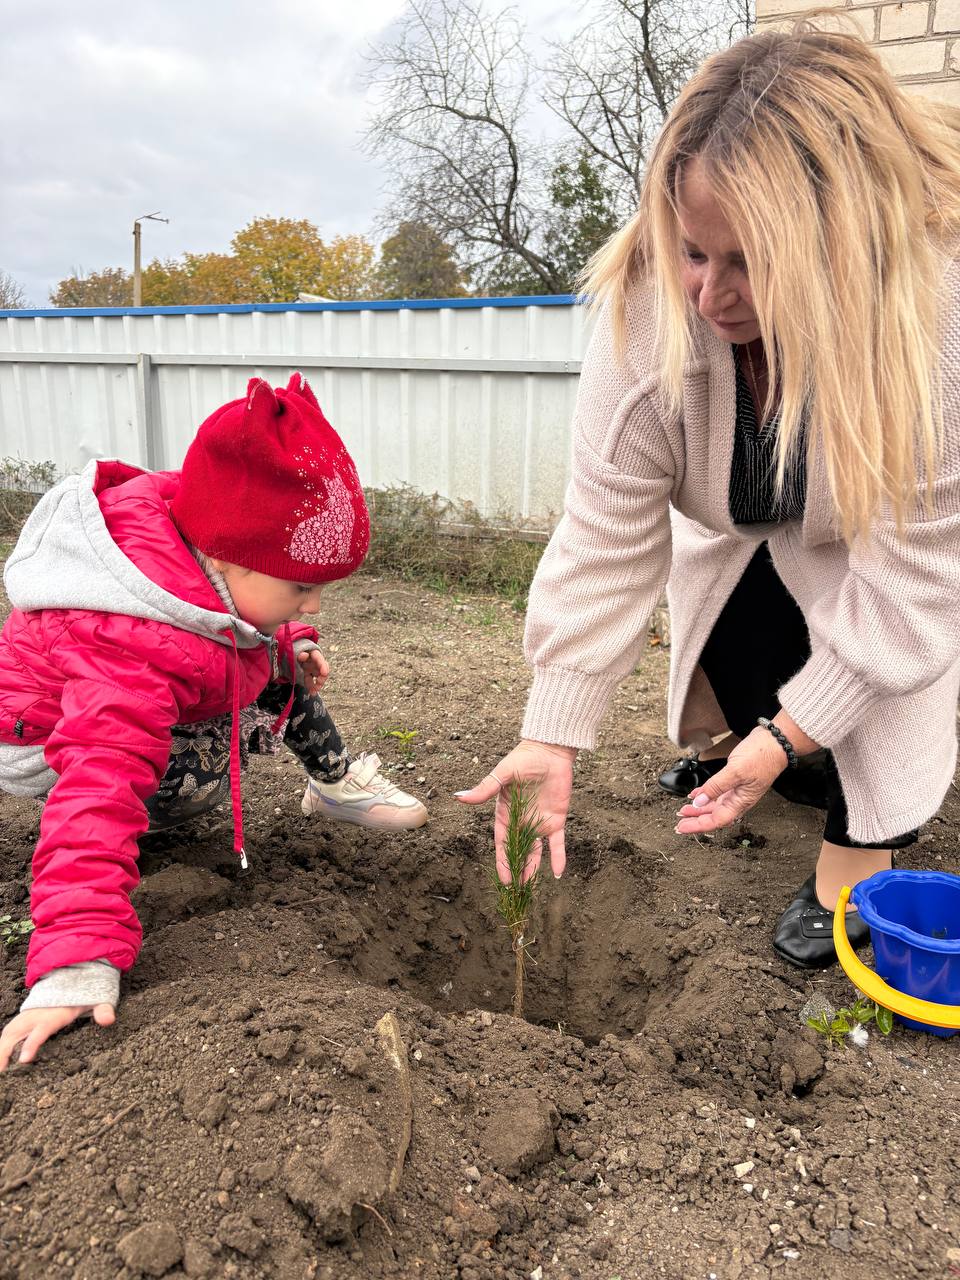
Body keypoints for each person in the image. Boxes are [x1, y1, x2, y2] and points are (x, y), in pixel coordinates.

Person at [458, 22, 960, 970]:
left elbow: (916, 582)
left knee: (884, 669)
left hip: (895, 566)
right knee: (735, 646)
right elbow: (604, 536)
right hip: (743, 540)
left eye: (750, 264)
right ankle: (797, 751)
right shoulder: (649, 316)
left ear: (840, 249)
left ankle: (858, 850)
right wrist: (551, 735)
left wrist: (785, 737)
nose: (708, 295)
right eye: (695, 250)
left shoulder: (933, 318)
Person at [0, 373, 427, 1070]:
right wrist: (75, 960)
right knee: (186, 780)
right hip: (50, 739)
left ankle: (332, 783)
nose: (313, 604)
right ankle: (141, 847)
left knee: (275, 662)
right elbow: (99, 784)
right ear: (230, 557)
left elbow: (228, 618)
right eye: (301, 589)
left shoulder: (209, 545)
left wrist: (292, 642)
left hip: (155, 680)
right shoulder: (131, 642)